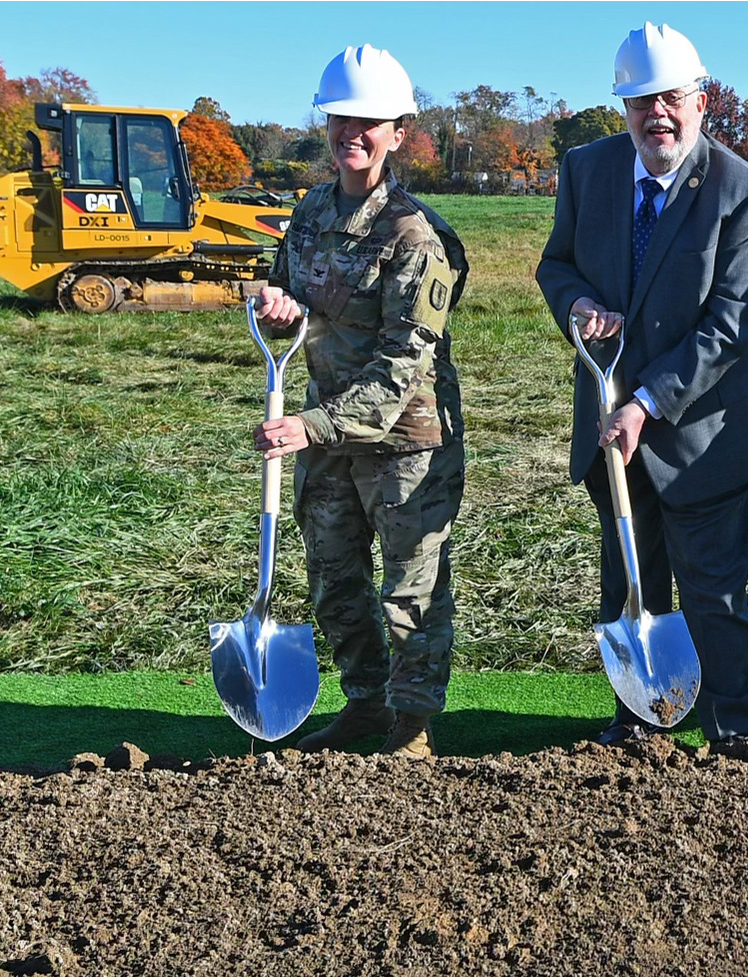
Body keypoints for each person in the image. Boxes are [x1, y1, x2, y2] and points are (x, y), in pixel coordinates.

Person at [536, 22, 748, 760]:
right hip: (613, 425)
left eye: (671, 98)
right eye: (640, 101)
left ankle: (735, 726)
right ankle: (638, 719)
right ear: (623, 108)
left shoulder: (747, 194)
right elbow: (557, 267)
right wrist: (576, 304)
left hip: (705, 426)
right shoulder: (587, 171)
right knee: (627, 581)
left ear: (701, 101)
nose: (657, 115)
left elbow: (732, 325)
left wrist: (648, 401)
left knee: (712, 592)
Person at [252, 45, 468, 760]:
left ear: (397, 133)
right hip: (325, 437)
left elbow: (405, 363)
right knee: (335, 581)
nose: (354, 133)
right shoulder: (310, 211)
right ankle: (363, 706)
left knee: (411, 595)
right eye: (342, 118)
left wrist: (309, 427)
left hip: (406, 440)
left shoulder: (414, 236)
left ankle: (410, 729)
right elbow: (289, 298)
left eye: (370, 122)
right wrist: (276, 307)